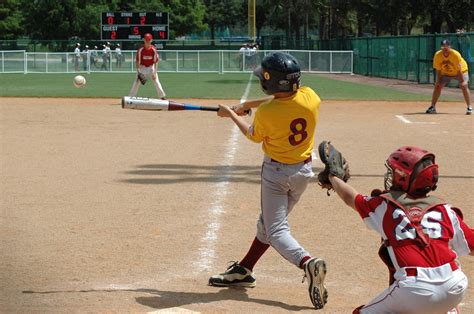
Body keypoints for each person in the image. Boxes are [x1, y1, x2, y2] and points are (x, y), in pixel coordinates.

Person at [210, 52, 328, 310]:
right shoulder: (311, 97)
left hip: (275, 175)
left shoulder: (266, 113)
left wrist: (231, 114)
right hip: (302, 173)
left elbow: (252, 135)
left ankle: (307, 262)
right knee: (268, 224)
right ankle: (245, 269)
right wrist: (246, 105)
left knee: (276, 231)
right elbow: (282, 100)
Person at [324, 144, 473, 313]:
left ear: (403, 177)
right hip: (455, 285)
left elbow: (351, 198)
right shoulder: (445, 209)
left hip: (415, 289)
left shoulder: (385, 205)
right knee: (437, 303)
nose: (391, 175)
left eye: (394, 172)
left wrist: (333, 178)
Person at [426, 39, 472, 115]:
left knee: (464, 86)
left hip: (461, 71)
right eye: (443, 47)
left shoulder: (455, 55)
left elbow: (458, 70)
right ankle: (432, 107)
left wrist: (462, 82)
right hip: (446, 73)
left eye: (446, 47)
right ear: (441, 48)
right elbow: (438, 70)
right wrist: (438, 82)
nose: (445, 49)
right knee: (437, 86)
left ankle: (469, 107)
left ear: (450, 47)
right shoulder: (438, 55)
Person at [128, 33, 166, 99]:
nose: (147, 41)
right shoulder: (141, 50)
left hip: (151, 67)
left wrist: (154, 72)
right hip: (142, 67)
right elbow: (137, 62)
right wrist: (139, 72)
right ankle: (130, 97)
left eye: (149, 40)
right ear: (144, 40)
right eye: (146, 40)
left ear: (151, 40)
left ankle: (162, 96)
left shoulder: (153, 50)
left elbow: (156, 62)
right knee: (137, 81)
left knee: (156, 80)